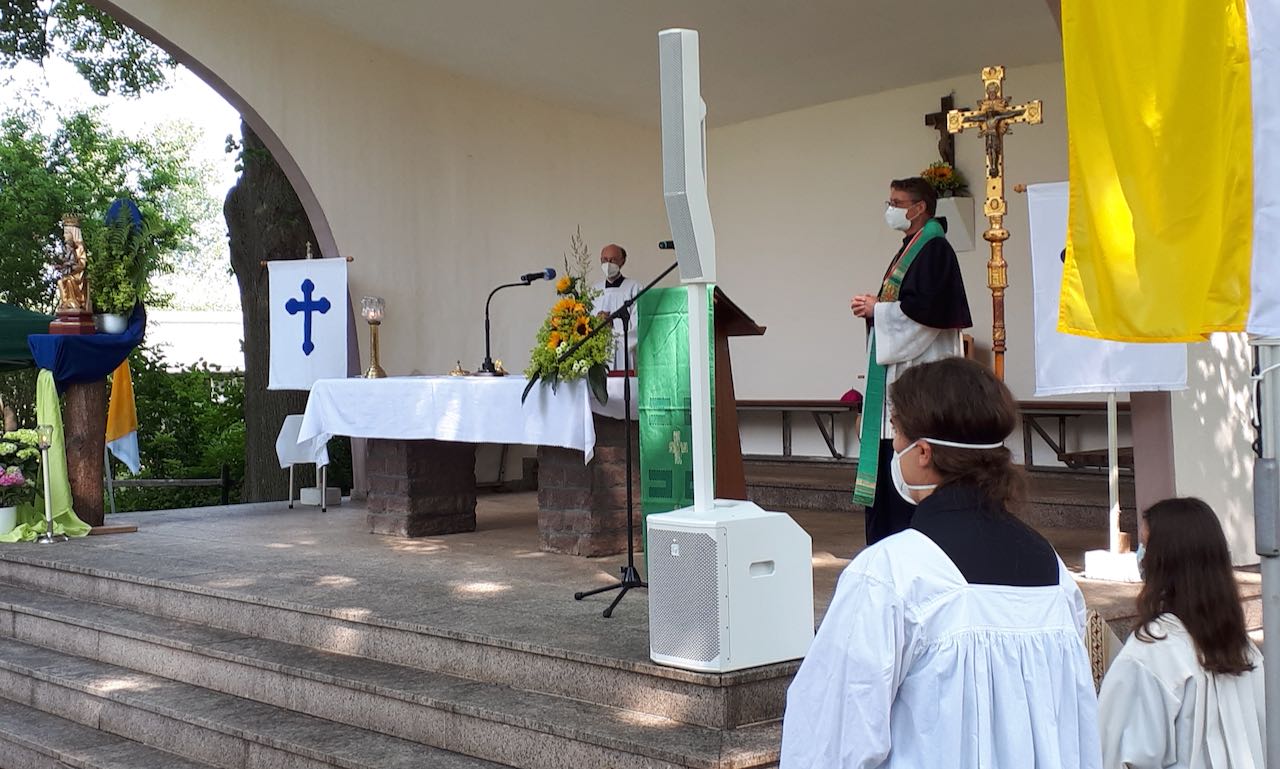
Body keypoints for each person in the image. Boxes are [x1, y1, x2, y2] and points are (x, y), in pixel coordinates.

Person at [781, 358, 1101, 769]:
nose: (893, 447)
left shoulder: (891, 573)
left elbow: (832, 733)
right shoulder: (1056, 575)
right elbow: (1072, 727)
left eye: (896, 432)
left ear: (924, 452)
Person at [1098, 498, 1265, 769]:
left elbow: (1114, 755)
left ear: (1165, 561)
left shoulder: (1151, 653)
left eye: (1145, 545)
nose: (1140, 555)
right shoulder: (1245, 650)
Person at [852, 177, 972, 545]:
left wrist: (880, 309)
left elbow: (927, 313)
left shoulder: (933, 249)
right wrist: (881, 307)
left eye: (896, 202)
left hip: (920, 376)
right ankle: (888, 541)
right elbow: (913, 300)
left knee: (910, 461)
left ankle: (905, 541)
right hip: (904, 372)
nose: (890, 209)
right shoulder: (915, 247)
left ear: (918, 208)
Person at [593, 243, 642, 372]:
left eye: (613, 260)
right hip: (599, 353)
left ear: (622, 261)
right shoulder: (594, 290)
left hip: (623, 351)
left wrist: (612, 324)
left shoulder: (634, 288)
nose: (608, 264)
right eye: (604, 260)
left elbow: (639, 323)